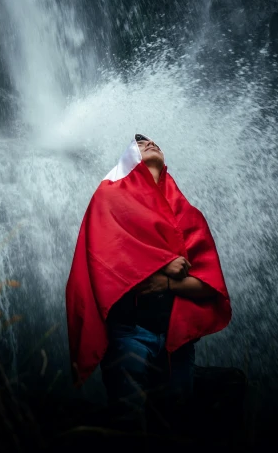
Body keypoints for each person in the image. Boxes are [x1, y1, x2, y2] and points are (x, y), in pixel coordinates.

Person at [66, 133, 232, 434]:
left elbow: (210, 285)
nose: (150, 143)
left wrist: (166, 284)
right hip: (129, 332)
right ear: (129, 158)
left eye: (153, 142)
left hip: (176, 340)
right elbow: (104, 259)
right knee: (129, 422)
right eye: (140, 144)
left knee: (173, 422)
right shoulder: (108, 199)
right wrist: (166, 263)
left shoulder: (187, 214)